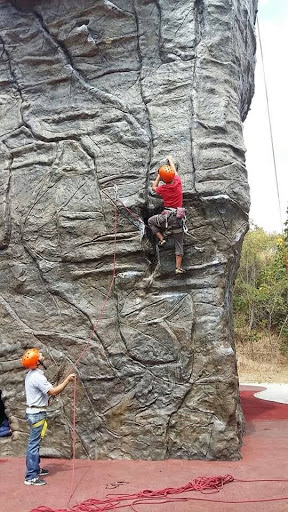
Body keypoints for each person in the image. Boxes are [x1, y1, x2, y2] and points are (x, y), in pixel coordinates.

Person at [21, 348, 76, 486]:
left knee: (35, 443)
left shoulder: (31, 374)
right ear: (37, 361)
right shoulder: (37, 377)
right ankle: (31, 476)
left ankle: (35, 469)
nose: (42, 355)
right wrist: (67, 381)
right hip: (37, 414)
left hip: (34, 412)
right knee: (33, 445)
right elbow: (53, 391)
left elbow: (43, 394)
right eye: (39, 354)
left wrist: (46, 399)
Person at [148, 155, 185, 274]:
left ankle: (162, 239)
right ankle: (178, 268)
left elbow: (154, 187)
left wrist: (159, 174)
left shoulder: (163, 188)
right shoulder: (178, 182)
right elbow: (174, 171)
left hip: (166, 219)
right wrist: (170, 160)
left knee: (151, 221)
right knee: (179, 242)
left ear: (164, 180)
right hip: (178, 218)